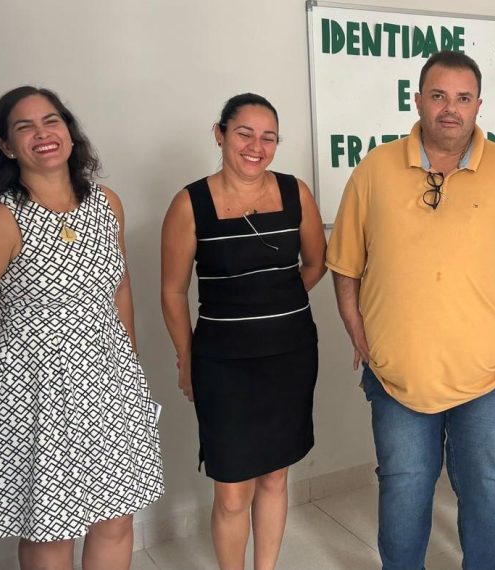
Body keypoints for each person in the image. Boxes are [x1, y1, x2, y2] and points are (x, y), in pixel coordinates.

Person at [327, 50, 495, 569]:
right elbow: (345, 266)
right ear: (418, 101)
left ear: (478, 106)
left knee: (486, 485)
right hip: (397, 374)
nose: (450, 109)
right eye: (438, 96)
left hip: (493, 373)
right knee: (403, 486)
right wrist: (361, 338)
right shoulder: (375, 170)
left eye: (462, 98)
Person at [0, 86, 164, 569]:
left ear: (70, 134)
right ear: (6, 147)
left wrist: (130, 371)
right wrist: (13, 326)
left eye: (51, 121)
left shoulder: (106, 203)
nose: (42, 133)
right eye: (24, 126)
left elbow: (119, 288)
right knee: (50, 529)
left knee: (116, 517)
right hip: (34, 390)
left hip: (109, 381)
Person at [160, 93, 326, 570]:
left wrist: (277, 300)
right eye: (244, 133)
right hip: (223, 365)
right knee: (232, 491)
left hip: (290, 356)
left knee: (275, 478)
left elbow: (316, 262)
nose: (257, 146)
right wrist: (186, 357)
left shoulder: (296, 192)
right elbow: (173, 292)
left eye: (268, 136)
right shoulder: (191, 203)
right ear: (220, 134)